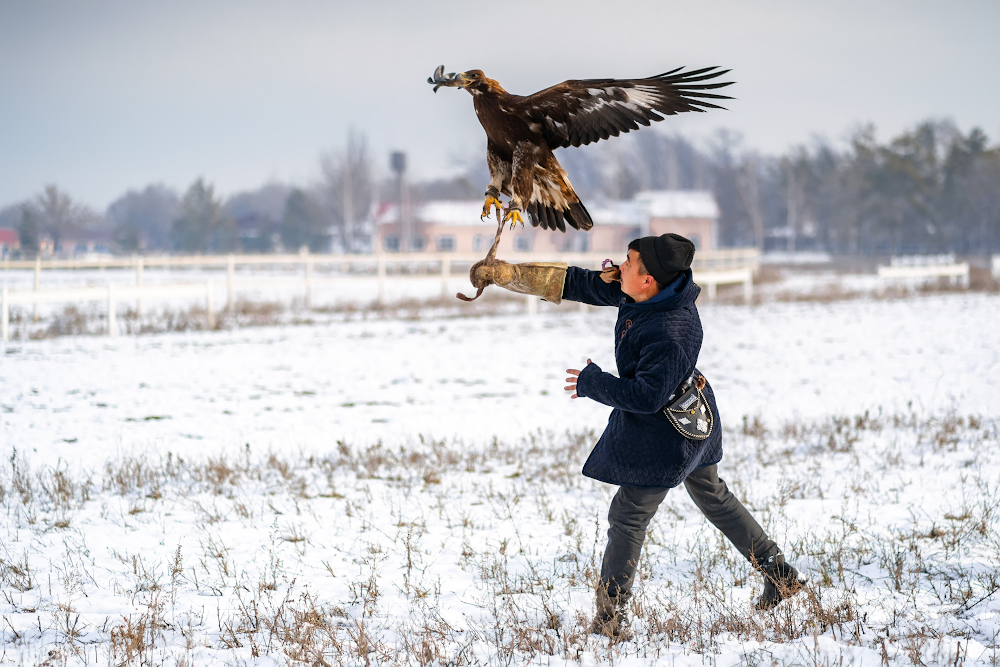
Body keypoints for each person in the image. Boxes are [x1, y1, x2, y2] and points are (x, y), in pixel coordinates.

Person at [556, 233, 804, 638]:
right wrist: (516, 276)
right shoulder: (649, 294)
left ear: (649, 279)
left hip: (669, 436)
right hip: (694, 417)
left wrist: (593, 382)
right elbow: (591, 285)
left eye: (629, 263)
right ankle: (780, 575)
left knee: (628, 515)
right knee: (715, 497)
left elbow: (646, 395)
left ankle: (609, 619)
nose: (620, 267)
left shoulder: (670, 329)